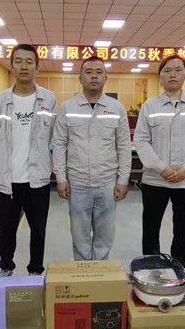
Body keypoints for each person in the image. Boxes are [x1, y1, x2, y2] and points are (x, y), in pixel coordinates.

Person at [134, 55, 185, 267]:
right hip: (155, 180)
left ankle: (178, 270)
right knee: (151, 228)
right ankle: (151, 268)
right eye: (167, 70)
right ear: (160, 76)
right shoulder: (150, 106)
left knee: (183, 230)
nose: (173, 74)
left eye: (178, 70)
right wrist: (162, 168)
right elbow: (141, 140)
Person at [53, 56, 131, 260]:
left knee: (104, 237)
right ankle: (83, 272)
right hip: (77, 184)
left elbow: (124, 146)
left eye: (99, 72)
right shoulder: (68, 108)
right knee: (80, 237)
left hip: (107, 183)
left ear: (106, 78)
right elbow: (59, 144)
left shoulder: (116, 108)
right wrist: (61, 178)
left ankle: (100, 272)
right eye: (88, 72)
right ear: (80, 78)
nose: (94, 76)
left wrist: (123, 180)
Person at [0, 44, 57, 277]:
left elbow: (52, 135)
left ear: (37, 67)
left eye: (29, 62)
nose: (24, 66)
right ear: (11, 66)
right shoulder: (0, 101)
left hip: (37, 179)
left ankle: (35, 271)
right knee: (5, 230)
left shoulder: (49, 99)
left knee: (38, 230)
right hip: (6, 180)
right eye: (18, 61)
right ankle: (6, 267)